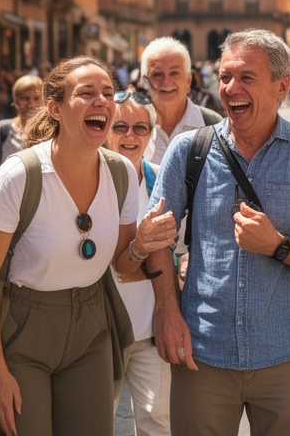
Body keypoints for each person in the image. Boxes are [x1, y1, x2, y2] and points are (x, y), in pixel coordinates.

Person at [0, 57, 176, 436]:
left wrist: (142, 245)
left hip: (92, 327)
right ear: (55, 108)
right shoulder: (19, 175)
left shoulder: (120, 173)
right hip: (23, 329)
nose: (102, 102)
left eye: (108, 93)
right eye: (87, 93)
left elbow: (123, 266)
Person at [144, 30, 290, 436]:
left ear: (282, 86)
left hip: (287, 357)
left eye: (246, 78)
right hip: (202, 355)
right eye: (224, 77)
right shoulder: (189, 150)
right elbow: (155, 239)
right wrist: (167, 310)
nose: (231, 89)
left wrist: (278, 246)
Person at [107, 89, 173, 435]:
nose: (130, 136)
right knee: (95, 423)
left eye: (140, 128)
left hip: (151, 330)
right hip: (102, 333)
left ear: (152, 131)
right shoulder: (91, 177)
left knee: (157, 423)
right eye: (120, 127)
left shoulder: (163, 177)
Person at [141, 37, 219, 163]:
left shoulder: (213, 125)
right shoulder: (133, 128)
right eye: (157, 74)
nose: (166, 81)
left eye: (174, 73)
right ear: (145, 82)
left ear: (188, 81)